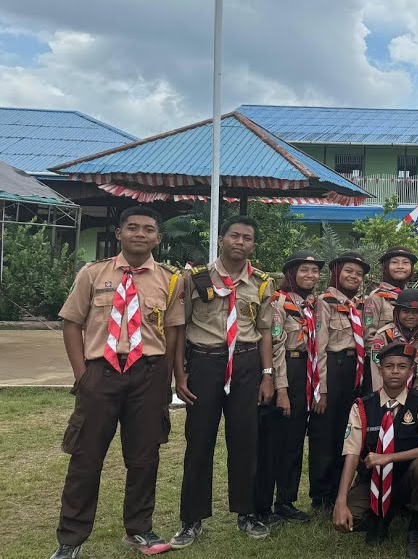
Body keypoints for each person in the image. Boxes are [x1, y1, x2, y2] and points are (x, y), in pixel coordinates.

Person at [51, 206, 183, 559]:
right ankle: (70, 539)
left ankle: (139, 529)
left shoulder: (171, 280)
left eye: (148, 229)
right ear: (119, 233)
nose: (140, 234)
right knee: (86, 457)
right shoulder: (93, 273)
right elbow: (72, 322)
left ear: (158, 238)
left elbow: (173, 331)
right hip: (101, 372)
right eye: (133, 227)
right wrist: (82, 374)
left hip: (149, 373)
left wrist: (166, 378)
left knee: (144, 458)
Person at [171, 217, 276, 547]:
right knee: (199, 440)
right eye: (234, 235)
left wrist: (267, 375)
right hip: (205, 362)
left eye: (247, 238)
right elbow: (180, 327)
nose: (240, 242)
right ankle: (191, 518)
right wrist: (180, 373)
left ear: (253, 245)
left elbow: (264, 332)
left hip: (246, 363)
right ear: (221, 239)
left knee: (245, 441)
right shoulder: (195, 278)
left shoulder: (261, 283)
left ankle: (246, 512)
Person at [333, 343, 418, 555]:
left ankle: (415, 527)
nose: (395, 371)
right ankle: (385, 512)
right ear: (380, 370)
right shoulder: (362, 406)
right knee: (350, 518)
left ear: (411, 372)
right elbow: (352, 453)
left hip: (406, 479)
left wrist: (389, 457)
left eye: (402, 366)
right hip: (373, 481)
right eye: (389, 366)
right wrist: (341, 500)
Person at [253, 251, 325, 526]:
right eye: (304, 270)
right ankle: (262, 506)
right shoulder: (279, 303)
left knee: (294, 441)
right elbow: (276, 346)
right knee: (273, 443)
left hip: (307, 371)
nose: (310, 275)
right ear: (291, 274)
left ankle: (286, 501)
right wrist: (281, 389)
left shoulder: (313, 305)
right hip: (287, 369)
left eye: (314, 271)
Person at [307, 252, 370, 512]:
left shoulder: (358, 305)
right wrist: (320, 390)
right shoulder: (325, 302)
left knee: (346, 432)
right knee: (325, 434)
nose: (354, 277)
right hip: (332, 369)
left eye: (359, 274)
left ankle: (337, 489)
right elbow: (318, 348)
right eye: (348, 271)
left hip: (353, 372)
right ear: (336, 273)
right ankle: (321, 495)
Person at [369, 288, 418, 394]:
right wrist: (382, 397)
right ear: (397, 312)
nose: (411, 316)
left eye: (417, 312)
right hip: (388, 388)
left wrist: (417, 399)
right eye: (405, 311)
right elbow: (377, 371)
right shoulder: (383, 335)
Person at [365, 247, 418, 345]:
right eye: (394, 262)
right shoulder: (376, 298)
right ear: (386, 267)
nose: (400, 266)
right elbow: (369, 338)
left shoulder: (415, 297)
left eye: (405, 263)